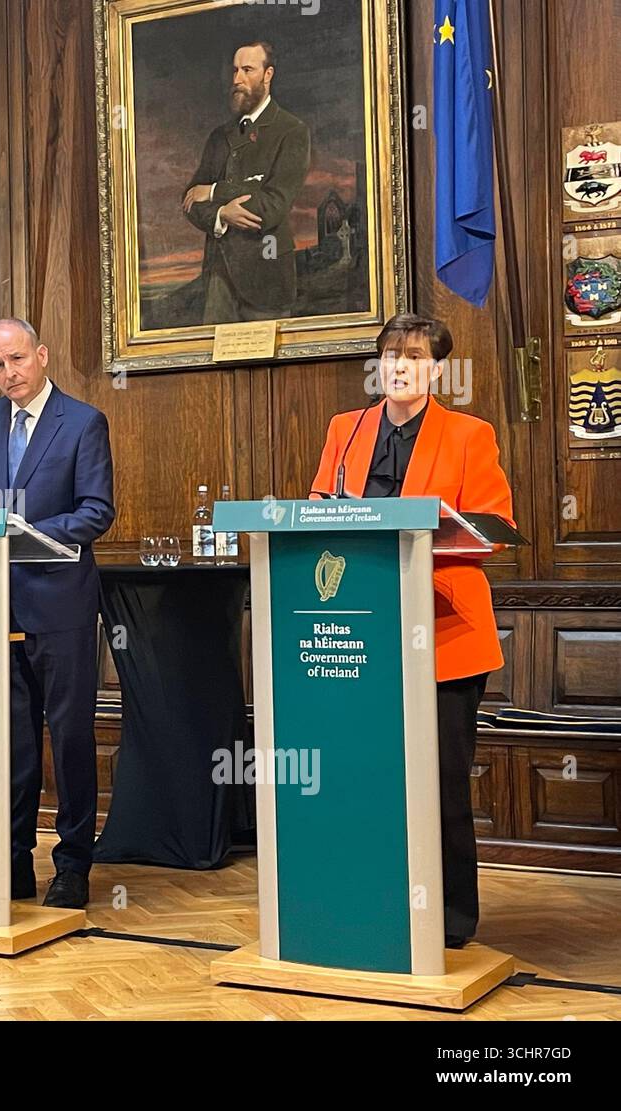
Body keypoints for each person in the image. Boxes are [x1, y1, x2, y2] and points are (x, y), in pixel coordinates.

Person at [310, 312, 514, 948]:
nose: (401, 366)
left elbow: (492, 526)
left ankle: (451, 919)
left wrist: (423, 531)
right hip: (359, 630)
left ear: (437, 370)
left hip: (443, 630)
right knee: (366, 773)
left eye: (416, 357)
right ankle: (371, 898)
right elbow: (319, 507)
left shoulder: (468, 434)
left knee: (440, 778)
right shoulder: (346, 430)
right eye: (392, 354)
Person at [0, 318, 115, 909]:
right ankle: (13, 861)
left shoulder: (82, 422)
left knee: (69, 739)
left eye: (17, 360)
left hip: (61, 605)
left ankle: (73, 864)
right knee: (11, 742)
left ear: (42, 355)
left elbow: (97, 512)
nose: (9, 374)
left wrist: (29, 533)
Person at [182, 41, 311, 323]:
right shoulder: (219, 136)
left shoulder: (292, 131)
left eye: (247, 70)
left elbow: (274, 203)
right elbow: (191, 199)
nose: (236, 79)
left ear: (268, 74)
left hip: (268, 280)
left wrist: (215, 191)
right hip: (219, 281)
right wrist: (220, 213)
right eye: (235, 70)